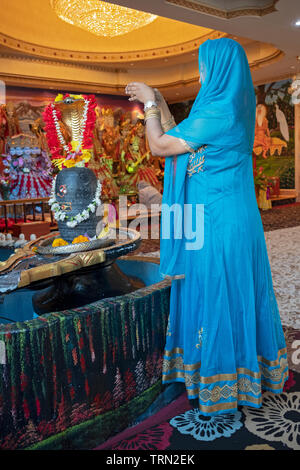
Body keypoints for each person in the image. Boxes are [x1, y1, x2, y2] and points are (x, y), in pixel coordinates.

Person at [125, 38, 288, 416]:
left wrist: (149, 102)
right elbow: (180, 136)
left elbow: (162, 146)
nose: (200, 74)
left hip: (217, 222)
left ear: (219, 69)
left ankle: (221, 384)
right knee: (227, 291)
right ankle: (237, 373)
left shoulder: (219, 110)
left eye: (205, 66)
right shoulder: (228, 107)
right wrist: (161, 102)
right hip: (224, 217)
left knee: (217, 292)